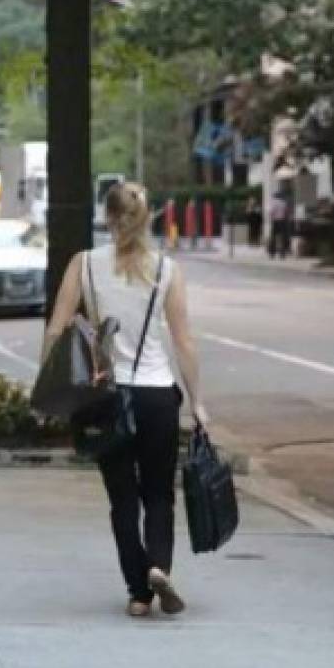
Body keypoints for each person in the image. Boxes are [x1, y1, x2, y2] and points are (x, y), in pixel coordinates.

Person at [40, 181, 207, 618]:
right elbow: (184, 341)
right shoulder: (167, 270)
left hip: (106, 397)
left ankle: (138, 592)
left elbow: (57, 329)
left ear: (108, 217)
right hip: (156, 396)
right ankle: (159, 565)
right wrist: (198, 401)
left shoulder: (85, 265)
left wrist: (49, 388)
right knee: (158, 493)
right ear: (147, 217)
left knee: (122, 498)